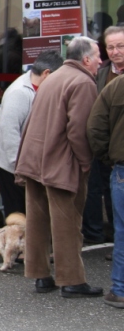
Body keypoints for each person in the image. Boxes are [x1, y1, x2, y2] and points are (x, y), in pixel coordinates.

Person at [17, 36, 103, 298]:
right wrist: (86, 162)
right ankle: (72, 280)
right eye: (98, 55)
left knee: (38, 221)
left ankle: (40, 275)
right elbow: (79, 130)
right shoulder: (83, 82)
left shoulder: (53, 76)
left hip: (35, 158)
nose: (101, 60)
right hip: (60, 161)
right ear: (86, 59)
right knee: (67, 223)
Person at [0, 50, 63, 216]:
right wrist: (19, 168)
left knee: (32, 213)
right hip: (13, 166)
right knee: (18, 214)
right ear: (46, 73)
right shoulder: (19, 93)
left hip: (27, 164)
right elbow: (9, 131)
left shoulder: (39, 87)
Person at [87, 53, 124, 310]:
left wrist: (106, 156)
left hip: (121, 166)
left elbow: (95, 126)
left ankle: (120, 289)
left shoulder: (117, 85)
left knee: (122, 231)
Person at [83, 25, 124, 243]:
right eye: (110, 47)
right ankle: (105, 236)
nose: (115, 52)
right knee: (101, 189)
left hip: (120, 150)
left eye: (120, 46)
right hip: (102, 147)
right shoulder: (102, 72)